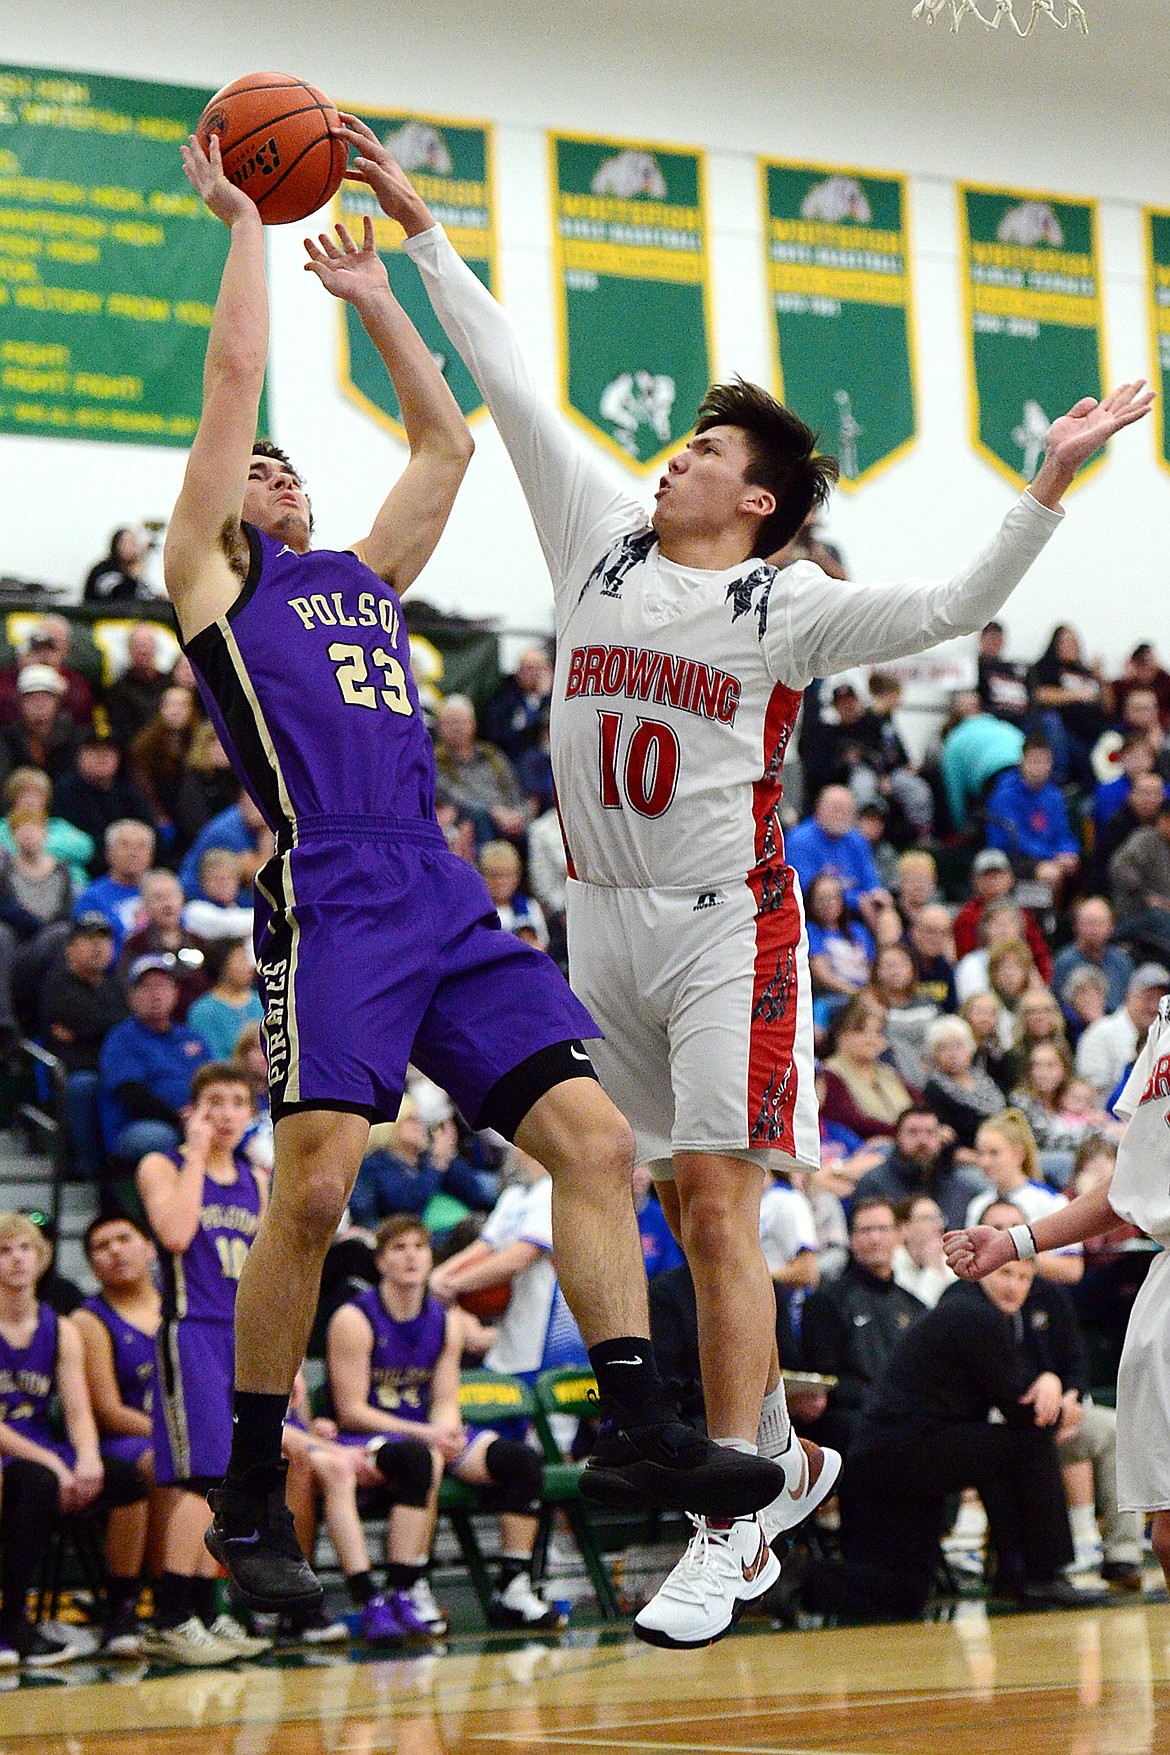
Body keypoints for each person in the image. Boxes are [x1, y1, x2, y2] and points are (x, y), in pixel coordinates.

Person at [378, 125, 1146, 1649]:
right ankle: (773, 1454)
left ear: (761, 504)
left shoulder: (783, 601)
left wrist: (1044, 482)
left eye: (711, 454)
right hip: (596, 915)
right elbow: (513, 380)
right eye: (686, 444)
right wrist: (417, 227)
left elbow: (951, 603)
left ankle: (737, 1517)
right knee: (644, 1188)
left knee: (720, 1208)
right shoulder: (597, 533)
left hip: (727, 919)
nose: (679, 457)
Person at [168, 127, 777, 1626]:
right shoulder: (213, 581)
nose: (264, 467)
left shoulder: (360, 579)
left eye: (283, 465)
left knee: (594, 1143)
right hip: (333, 890)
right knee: (313, 1183)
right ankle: (248, 1488)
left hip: (441, 888)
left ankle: (637, 1418)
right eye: (246, 467)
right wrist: (247, 225)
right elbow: (233, 382)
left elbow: (443, 442)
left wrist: (375, 298)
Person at [945, 1003, 1170, 1598]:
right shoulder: (1163, 1029)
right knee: (1167, 1530)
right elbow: (1129, 1183)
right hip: (1167, 1284)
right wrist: (1017, 1241)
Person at [329, 1212, 564, 1633]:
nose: (411, 1257)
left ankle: (513, 1585)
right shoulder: (353, 1319)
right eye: (399, 1249)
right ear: (380, 1261)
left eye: (419, 1247)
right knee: (421, 1459)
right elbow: (351, 1411)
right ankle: (410, 1585)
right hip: (369, 1437)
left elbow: (444, 1398)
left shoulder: (445, 1321)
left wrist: (449, 1429)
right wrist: (430, 1434)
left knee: (521, 1461)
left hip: (425, 1432)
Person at [136, 1063, 271, 1665]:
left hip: (245, 1342)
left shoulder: (259, 1179)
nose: (225, 1112)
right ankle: (169, 1617)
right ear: (192, 1110)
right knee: (200, 1480)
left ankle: (203, 1613)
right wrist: (194, 1154)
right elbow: (175, 1233)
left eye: (238, 1101)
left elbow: (270, 1281)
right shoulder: (162, 1165)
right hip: (191, 1334)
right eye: (213, 1101)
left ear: (250, 1114)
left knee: (227, 1485)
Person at [72, 1212, 163, 1654]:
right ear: (92, 1266)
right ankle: (130, 1604)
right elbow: (107, 1411)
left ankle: (206, 1603)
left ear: (149, 1247)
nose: (114, 1251)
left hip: (177, 1435)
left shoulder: (182, 1304)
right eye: (101, 1247)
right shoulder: (90, 1320)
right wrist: (178, 1433)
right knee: (167, 1462)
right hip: (124, 1440)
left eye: (124, 1239)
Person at [799, 1198, 926, 1454]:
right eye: (866, 1231)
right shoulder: (826, 1302)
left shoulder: (916, 1307)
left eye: (883, 1229)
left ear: (899, 1234)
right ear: (851, 1238)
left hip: (906, 1417)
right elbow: (826, 1380)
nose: (875, 1239)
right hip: (855, 1421)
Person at [98, 955, 211, 1171]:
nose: (156, 994)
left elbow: (213, 1080)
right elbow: (130, 1092)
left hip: (196, 1117)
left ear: (175, 993)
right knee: (160, 1138)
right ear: (132, 997)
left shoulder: (191, 1037)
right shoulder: (122, 1038)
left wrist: (202, 1113)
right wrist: (179, 1116)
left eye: (163, 986)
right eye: (147, 987)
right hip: (140, 1124)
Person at [39, 913, 127, 1180]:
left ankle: (116, 1168)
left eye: (104, 939)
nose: (97, 947)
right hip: (75, 1071)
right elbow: (79, 1018)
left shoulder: (116, 986)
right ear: (70, 947)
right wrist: (103, 1025)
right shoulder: (56, 982)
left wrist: (85, 1030)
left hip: (113, 1069)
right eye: (88, 939)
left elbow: (122, 1022)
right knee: (84, 1086)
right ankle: (88, 1168)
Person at [964, 1110, 1082, 1285]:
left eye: (994, 1153)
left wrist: (1011, 1253)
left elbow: (1072, 1269)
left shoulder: (1051, 1202)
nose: (985, 1162)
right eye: (980, 1153)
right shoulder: (978, 1204)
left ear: (1019, 1154)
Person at [852, 1104, 988, 1232]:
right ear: (898, 1137)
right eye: (913, 1132)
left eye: (930, 1133)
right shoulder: (874, 1183)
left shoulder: (958, 1184)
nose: (922, 1141)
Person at [786, 786, 894, 935]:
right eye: (835, 809)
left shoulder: (857, 839)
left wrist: (877, 896)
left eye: (847, 810)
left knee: (887, 913)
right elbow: (807, 890)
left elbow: (871, 880)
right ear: (819, 809)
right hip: (815, 918)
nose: (841, 815)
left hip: (857, 916)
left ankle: (889, 956)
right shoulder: (799, 840)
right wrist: (857, 900)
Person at [984, 733, 1080, 896]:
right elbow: (1015, 838)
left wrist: (1069, 852)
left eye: (1045, 762)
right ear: (1022, 762)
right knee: (1049, 874)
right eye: (1034, 761)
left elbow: (1064, 833)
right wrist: (1053, 856)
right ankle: (1046, 919)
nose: (1040, 767)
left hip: (1050, 857)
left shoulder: (1054, 795)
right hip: (1013, 857)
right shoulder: (1004, 795)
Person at [54, 731, 155, 865]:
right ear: (80, 756)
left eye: (109, 751)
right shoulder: (64, 791)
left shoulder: (127, 790)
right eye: (95, 751)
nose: (103, 757)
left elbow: (150, 830)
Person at [1075, 963, 1170, 1099]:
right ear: (1129, 996)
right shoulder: (1101, 1032)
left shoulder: (1166, 1034)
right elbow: (1090, 1094)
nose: (1154, 1007)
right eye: (1148, 998)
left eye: (1161, 1000)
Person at [920, 1016, 1005, 1152]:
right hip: (967, 1159)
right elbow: (945, 1140)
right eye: (943, 1048)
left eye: (958, 1045)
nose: (952, 1054)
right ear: (934, 1055)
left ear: (970, 1048)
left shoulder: (985, 1079)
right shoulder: (934, 1091)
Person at [73, 819, 156, 955]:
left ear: (151, 855)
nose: (133, 853)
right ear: (109, 853)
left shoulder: (163, 891)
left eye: (141, 846)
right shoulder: (91, 898)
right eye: (125, 845)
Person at [1051, 897, 1133, 1015]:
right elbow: (1057, 1006)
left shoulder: (1122, 961)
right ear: (1076, 926)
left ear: (1111, 927)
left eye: (1100, 923)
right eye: (1089, 923)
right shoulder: (1063, 962)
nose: (1095, 930)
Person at [186, 938, 263, 1061]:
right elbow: (211, 1057)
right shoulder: (203, 1011)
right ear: (222, 965)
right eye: (240, 959)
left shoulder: (261, 1001)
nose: (248, 966)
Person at [84, 527, 154, 603]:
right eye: (131, 542)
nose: (135, 548)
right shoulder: (104, 571)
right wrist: (132, 576)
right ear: (117, 545)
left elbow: (143, 595)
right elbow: (118, 597)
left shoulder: (128, 572)